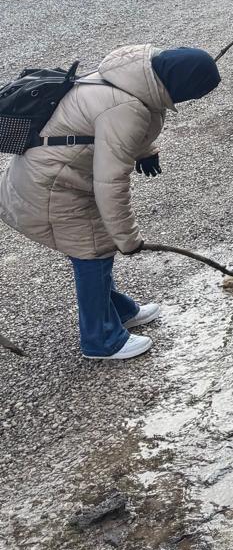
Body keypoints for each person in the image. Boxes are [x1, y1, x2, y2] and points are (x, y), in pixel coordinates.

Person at [0, 45, 221, 361]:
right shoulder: (127, 108)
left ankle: (119, 310)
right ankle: (101, 340)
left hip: (50, 172)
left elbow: (104, 125)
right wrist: (127, 239)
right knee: (92, 250)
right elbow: (110, 184)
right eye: (195, 94)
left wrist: (145, 150)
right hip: (49, 187)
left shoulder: (135, 72)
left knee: (96, 247)